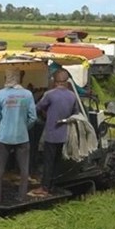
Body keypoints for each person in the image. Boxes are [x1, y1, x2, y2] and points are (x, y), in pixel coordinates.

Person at [0, 67, 37, 202]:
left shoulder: (0, 94)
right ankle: (22, 196)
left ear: (5, 79)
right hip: (22, 137)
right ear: (20, 79)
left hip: (3, 136)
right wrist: (24, 127)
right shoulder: (28, 94)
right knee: (24, 170)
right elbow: (33, 117)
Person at [31, 68, 80, 197]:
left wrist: (45, 113)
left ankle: (45, 187)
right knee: (57, 161)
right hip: (64, 135)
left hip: (51, 134)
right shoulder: (72, 96)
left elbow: (38, 107)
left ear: (55, 81)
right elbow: (76, 113)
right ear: (66, 82)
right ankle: (54, 185)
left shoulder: (50, 94)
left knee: (48, 161)